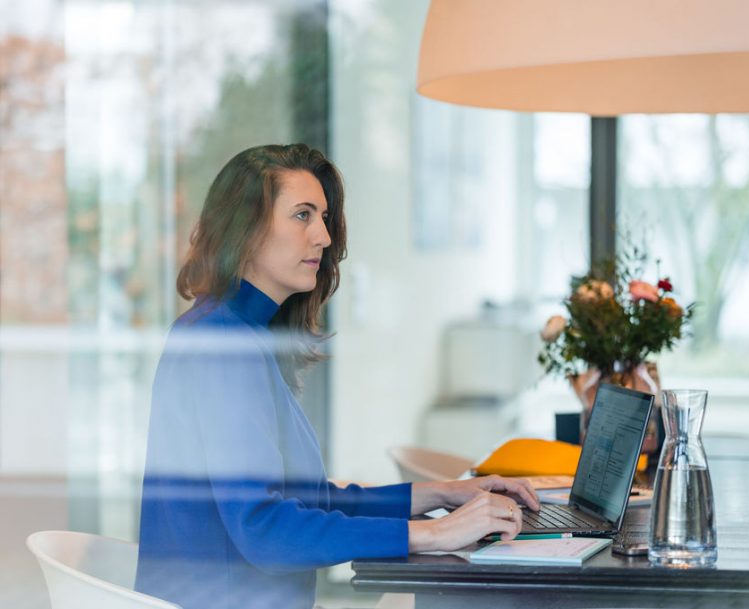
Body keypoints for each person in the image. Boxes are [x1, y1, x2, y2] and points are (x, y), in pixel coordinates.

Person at [136, 144, 540, 609]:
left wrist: (441, 494)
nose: (324, 237)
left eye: (323, 217)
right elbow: (265, 529)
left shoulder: (234, 331)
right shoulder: (223, 345)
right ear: (244, 229)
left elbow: (304, 501)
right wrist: (433, 533)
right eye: (302, 215)